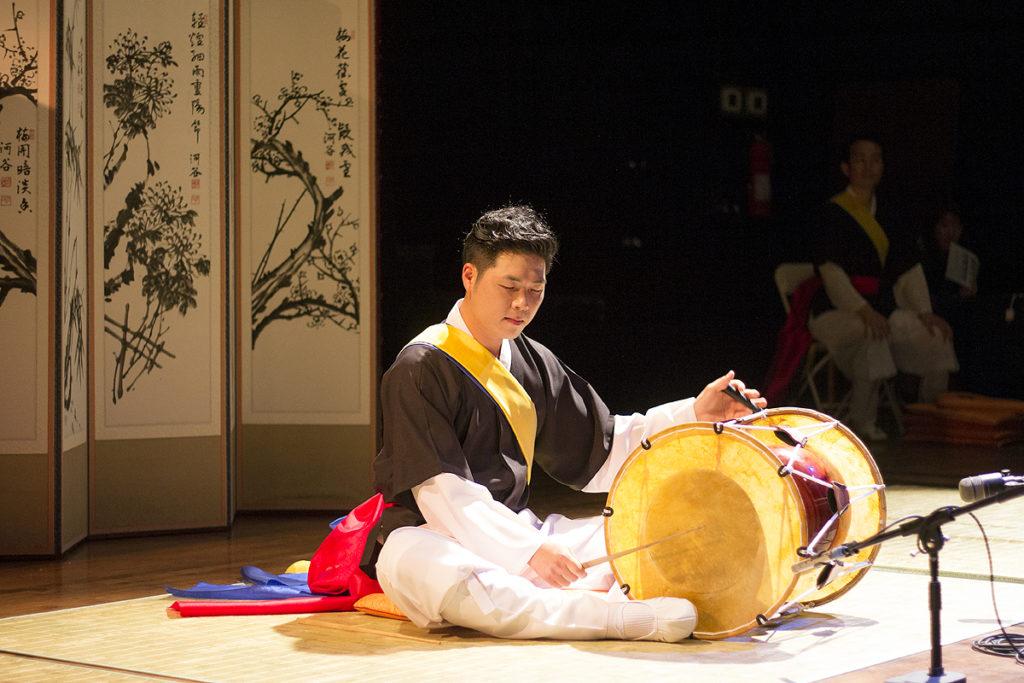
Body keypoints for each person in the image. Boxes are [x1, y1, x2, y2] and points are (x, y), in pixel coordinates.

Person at [371, 205, 766, 642]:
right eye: (509, 286)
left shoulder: (531, 361)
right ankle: (610, 617)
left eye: (535, 290)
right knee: (423, 566)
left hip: (519, 529)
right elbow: (443, 494)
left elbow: (606, 446)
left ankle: (585, 603)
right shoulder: (421, 365)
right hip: (435, 534)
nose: (522, 303)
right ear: (470, 276)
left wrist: (694, 413)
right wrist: (531, 551)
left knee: (654, 530)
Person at [807, 135, 958, 440]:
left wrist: (925, 312)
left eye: (875, 158)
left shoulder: (890, 214)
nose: (868, 166)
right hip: (837, 311)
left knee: (934, 336)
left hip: (882, 308)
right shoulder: (832, 214)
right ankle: (863, 424)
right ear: (846, 168)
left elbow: (907, 270)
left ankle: (928, 420)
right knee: (871, 331)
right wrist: (862, 310)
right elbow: (831, 272)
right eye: (860, 159)